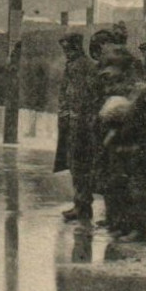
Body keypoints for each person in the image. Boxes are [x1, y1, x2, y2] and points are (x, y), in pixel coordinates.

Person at [94, 44, 146, 242]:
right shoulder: (115, 84)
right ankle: (121, 225)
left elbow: (139, 115)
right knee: (116, 184)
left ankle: (138, 228)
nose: (107, 75)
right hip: (119, 140)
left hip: (135, 142)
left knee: (135, 186)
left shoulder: (139, 87)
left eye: (111, 70)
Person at [56, 33, 98, 223]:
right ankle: (80, 204)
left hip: (82, 123)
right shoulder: (72, 65)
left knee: (81, 165)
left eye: (68, 49)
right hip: (72, 121)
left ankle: (83, 205)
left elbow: (89, 94)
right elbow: (65, 92)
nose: (66, 53)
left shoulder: (86, 66)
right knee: (74, 164)